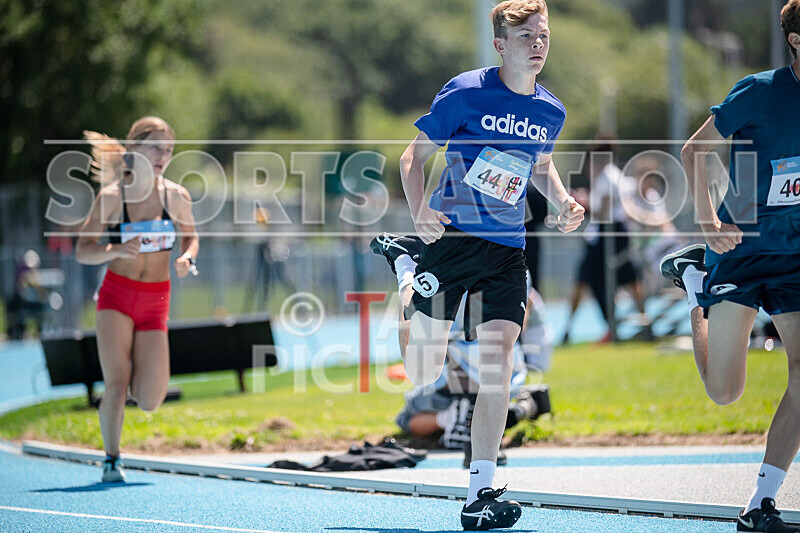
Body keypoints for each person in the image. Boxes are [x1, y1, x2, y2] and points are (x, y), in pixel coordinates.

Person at [376, 1, 584, 528]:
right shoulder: (466, 90)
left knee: (499, 365)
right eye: (526, 37)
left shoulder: (550, 110)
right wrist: (421, 210)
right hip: (452, 240)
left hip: (506, 251)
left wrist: (562, 202)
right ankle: (405, 265)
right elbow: (412, 156)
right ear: (500, 45)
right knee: (422, 367)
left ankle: (479, 493)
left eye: (544, 35)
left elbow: (540, 164)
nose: (538, 44)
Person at [659, 3, 800, 531]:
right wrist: (704, 221)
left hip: (794, 256)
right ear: (795, 40)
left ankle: (760, 502)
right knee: (725, 392)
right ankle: (695, 282)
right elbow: (695, 149)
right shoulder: (759, 91)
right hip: (739, 245)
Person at [76, 116, 199, 483]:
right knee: (116, 382)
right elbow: (83, 250)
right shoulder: (113, 197)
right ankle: (112, 459)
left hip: (156, 300)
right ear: (134, 150)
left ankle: (131, 376)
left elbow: (192, 237)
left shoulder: (175, 196)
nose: (162, 155)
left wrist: (187, 257)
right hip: (117, 296)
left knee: (150, 398)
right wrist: (115, 249)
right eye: (155, 147)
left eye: (168, 150)